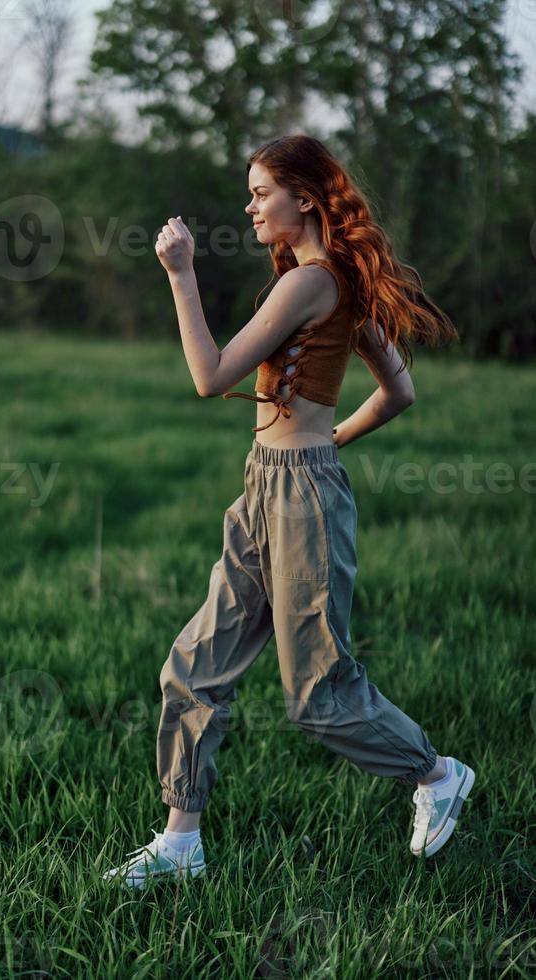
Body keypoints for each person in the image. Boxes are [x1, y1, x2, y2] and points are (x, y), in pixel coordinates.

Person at [102, 134, 475, 890]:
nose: (250, 205)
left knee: (316, 696)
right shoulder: (335, 281)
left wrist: (180, 274)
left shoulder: (310, 282)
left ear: (305, 197)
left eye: (262, 190)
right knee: (195, 668)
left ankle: (435, 774)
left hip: (299, 497)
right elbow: (398, 392)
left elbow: (210, 378)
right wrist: (326, 442)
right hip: (268, 483)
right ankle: (180, 844)